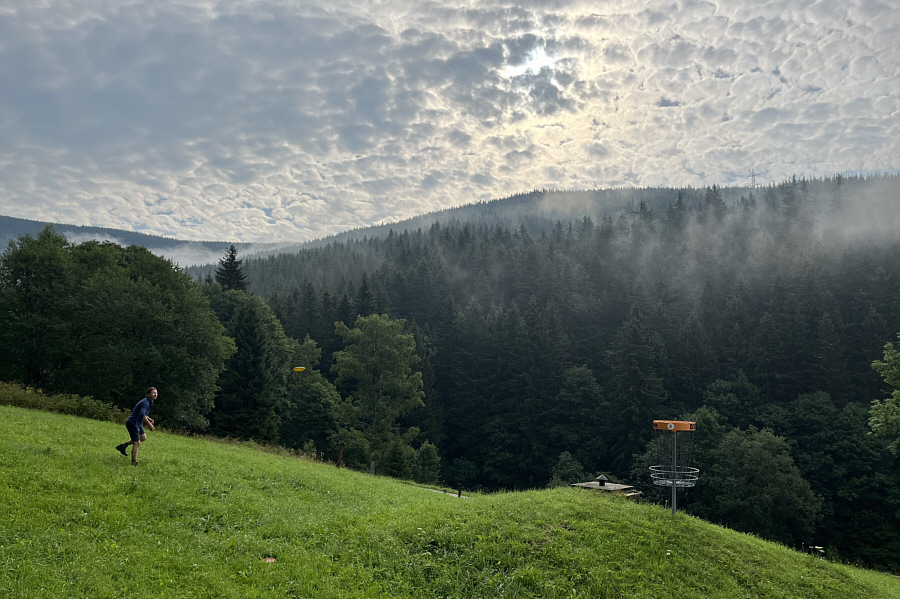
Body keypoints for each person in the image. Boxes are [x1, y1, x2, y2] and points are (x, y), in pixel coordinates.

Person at [116, 387, 157, 465]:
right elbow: (142, 414)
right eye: (153, 393)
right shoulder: (146, 403)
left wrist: (148, 418)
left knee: (143, 437)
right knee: (137, 443)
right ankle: (134, 462)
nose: (155, 395)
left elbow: (142, 413)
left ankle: (123, 446)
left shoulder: (149, 402)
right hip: (133, 423)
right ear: (148, 394)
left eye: (156, 393)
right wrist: (150, 424)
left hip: (137, 423)